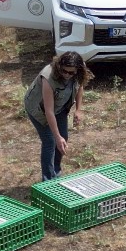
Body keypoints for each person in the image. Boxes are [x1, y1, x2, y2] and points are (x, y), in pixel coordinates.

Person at [24, 52, 90, 181]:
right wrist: (56, 136)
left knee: (63, 138)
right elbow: (48, 111)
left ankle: (56, 171)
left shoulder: (79, 71)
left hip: (59, 107)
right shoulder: (48, 77)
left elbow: (79, 86)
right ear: (59, 66)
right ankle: (48, 180)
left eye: (71, 73)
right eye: (64, 71)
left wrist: (78, 110)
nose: (66, 75)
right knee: (50, 141)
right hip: (39, 110)